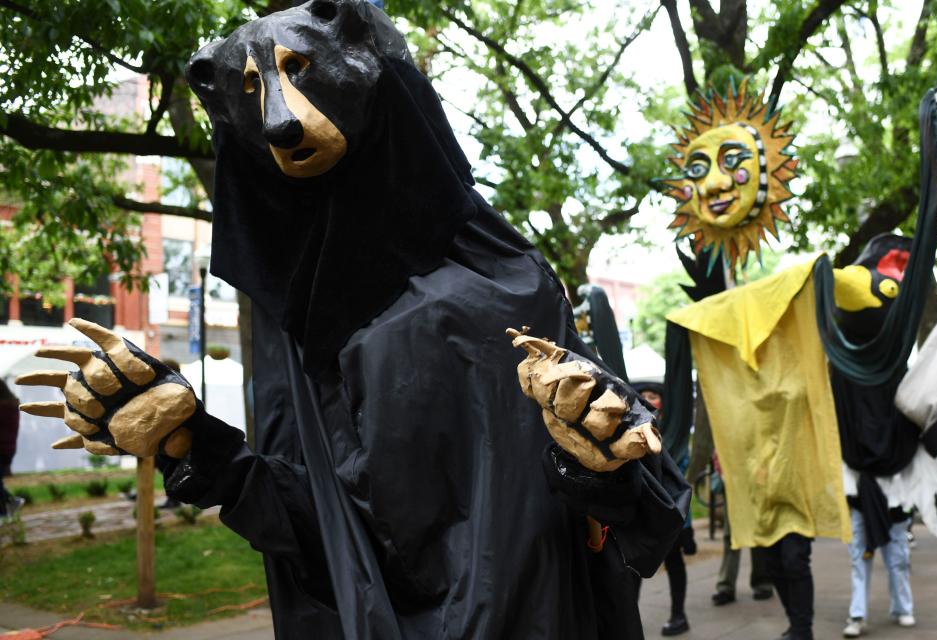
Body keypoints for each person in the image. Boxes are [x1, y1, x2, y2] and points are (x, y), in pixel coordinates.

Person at [17, 3, 690, 638]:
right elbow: (322, 536)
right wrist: (196, 445)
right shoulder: (298, 327)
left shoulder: (510, 281)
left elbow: (632, 504)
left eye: (298, 68)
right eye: (252, 89)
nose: (281, 116)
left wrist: (600, 460)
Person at [635, 382, 697, 637]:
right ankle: (628, 617)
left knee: (674, 562)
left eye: (654, 396)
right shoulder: (631, 428)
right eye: (644, 395)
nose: (648, 399)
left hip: (669, 514)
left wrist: (687, 526)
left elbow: (680, 482)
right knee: (632, 568)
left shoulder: (674, 435)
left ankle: (678, 614)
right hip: (639, 515)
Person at [841, 467, 916, 637]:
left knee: (898, 562)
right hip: (862, 501)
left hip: (894, 503)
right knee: (859, 560)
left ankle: (903, 608)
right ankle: (857, 614)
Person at [711, 451, 774, 606]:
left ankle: (733, 584)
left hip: (754, 473)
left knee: (753, 532)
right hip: (734, 475)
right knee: (732, 534)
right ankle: (754, 583)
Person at [0, 378, 23, 520]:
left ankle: (11, 502)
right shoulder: (11, 405)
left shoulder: (3, 408)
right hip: (7, 449)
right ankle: (5, 509)